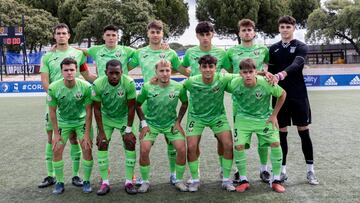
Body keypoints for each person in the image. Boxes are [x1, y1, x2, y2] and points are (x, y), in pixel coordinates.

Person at [128, 20, 188, 184]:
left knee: (172, 143)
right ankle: (144, 178)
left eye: (158, 32)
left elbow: (183, 70)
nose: (155, 35)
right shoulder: (140, 53)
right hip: (147, 106)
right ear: (147, 33)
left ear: (162, 34)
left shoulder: (170, 53)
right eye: (152, 32)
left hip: (167, 106)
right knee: (145, 146)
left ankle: (174, 174)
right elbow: (123, 68)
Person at [39, 23, 96, 188]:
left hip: (76, 103)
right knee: (52, 138)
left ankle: (77, 176)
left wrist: (103, 82)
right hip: (57, 102)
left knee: (74, 139)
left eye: (64, 33)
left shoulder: (78, 54)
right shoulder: (47, 57)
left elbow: (86, 75)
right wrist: (57, 94)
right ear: (54, 36)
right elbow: (44, 82)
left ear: (69, 35)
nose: (61, 35)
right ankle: (51, 175)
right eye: (58, 33)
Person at [268, 15, 319, 185]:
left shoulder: (301, 46)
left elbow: (298, 64)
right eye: (282, 27)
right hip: (279, 96)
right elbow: (268, 69)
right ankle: (282, 171)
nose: (285, 30)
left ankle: (310, 171)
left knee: (303, 132)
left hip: (298, 95)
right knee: (281, 134)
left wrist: (282, 74)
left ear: (293, 28)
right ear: (279, 29)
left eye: (288, 27)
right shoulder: (273, 49)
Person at [179, 21, 231, 178]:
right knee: (194, 144)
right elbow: (181, 67)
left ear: (212, 34)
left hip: (216, 106)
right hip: (197, 106)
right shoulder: (190, 52)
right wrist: (194, 78)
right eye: (202, 35)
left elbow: (232, 70)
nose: (205, 38)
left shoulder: (221, 53)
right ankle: (196, 175)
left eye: (208, 34)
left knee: (222, 141)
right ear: (197, 36)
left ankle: (224, 170)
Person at [227, 58, 286, 193]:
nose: (248, 75)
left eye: (250, 72)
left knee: (276, 143)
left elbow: (282, 94)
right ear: (240, 73)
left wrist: (274, 115)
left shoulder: (266, 83)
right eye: (244, 72)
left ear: (255, 72)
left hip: (264, 118)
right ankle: (243, 180)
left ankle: (276, 180)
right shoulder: (234, 83)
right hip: (243, 119)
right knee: (239, 146)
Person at [226, 19, 271, 183]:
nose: (246, 32)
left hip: (262, 102)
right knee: (240, 140)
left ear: (254, 32)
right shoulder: (232, 52)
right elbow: (230, 72)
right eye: (243, 30)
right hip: (240, 103)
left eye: (249, 30)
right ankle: (239, 171)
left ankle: (264, 169)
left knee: (263, 139)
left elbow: (266, 70)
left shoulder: (263, 50)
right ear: (239, 33)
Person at [183, 55, 235, 192]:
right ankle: (195, 179)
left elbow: (242, 74)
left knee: (228, 144)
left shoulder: (222, 78)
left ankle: (226, 178)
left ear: (215, 68)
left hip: (217, 116)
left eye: (210, 66)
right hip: (196, 117)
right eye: (204, 67)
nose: (207, 69)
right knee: (192, 146)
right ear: (199, 68)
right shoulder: (191, 82)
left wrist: (263, 74)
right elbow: (176, 88)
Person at [135, 60, 188, 193]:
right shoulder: (148, 87)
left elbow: (185, 103)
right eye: (161, 71)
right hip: (151, 124)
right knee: (144, 150)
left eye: (167, 70)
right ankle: (145, 181)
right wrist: (144, 123)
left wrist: (178, 122)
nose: (165, 74)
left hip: (170, 124)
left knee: (181, 149)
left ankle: (178, 180)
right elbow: (138, 104)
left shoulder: (178, 87)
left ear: (171, 72)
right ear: (156, 72)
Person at [47, 58, 93, 194]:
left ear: (76, 70)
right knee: (56, 149)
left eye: (72, 69)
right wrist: (56, 133)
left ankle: (86, 181)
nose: (69, 73)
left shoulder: (85, 86)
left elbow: (89, 111)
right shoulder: (53, 87)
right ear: (61, 71)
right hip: (63, 122)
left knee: (87, 148)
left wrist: (86, 134)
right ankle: (60, 182)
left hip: (81, 122)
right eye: (66, 70)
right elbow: (52, 112)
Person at [91, 59, 137, 195]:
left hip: (123, 117)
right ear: (106, 72)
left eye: (117, 73)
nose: (114, 76)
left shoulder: (129, 83)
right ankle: (105, 182)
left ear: (122, 72)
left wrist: (129, 129)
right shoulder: (98, 84)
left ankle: (129, 181)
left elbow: (131, 107)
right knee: (102, 143)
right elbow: (97, 110)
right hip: (106, 118)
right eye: (111, 73)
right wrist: (100, 132)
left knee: (130, 143)